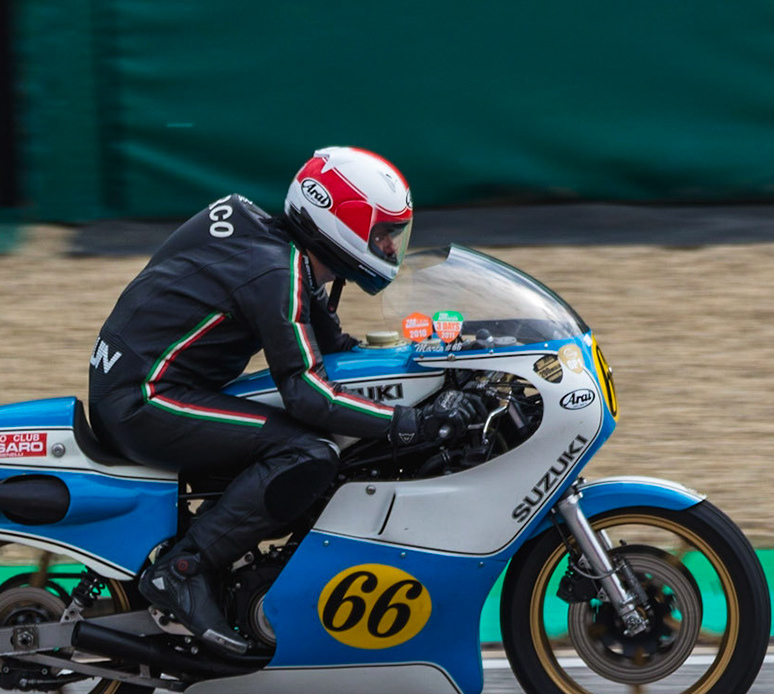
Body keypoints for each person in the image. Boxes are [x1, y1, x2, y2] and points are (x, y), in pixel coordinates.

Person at [86, 146, 486, 654]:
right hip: (144, 399)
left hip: (151, 384)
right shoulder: (277, 270)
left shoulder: (280, 252)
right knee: (307, 451)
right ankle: (182, 570)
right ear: (341, 222)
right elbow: (307, 393)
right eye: (382, 232)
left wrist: (439, 357)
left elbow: (337, 349)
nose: (389, 245)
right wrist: (409, 423)